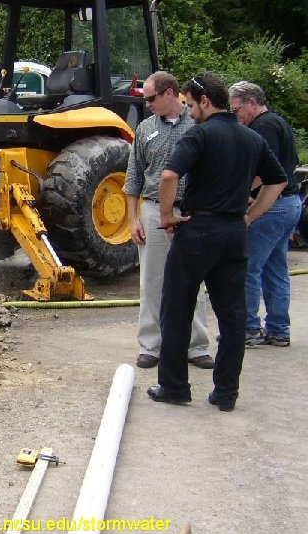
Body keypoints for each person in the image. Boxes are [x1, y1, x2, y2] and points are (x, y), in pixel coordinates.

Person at [147, 72, 287, 412]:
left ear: (206, 101)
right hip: (234, 234)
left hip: (197, 230)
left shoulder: (199, 135)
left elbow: (168, 175)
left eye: (191, 104)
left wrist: (166, 217)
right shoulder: (251, 138)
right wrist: (250, 215)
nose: (188, 110)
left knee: (177, 308)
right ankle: (226, 393)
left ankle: (174, 386)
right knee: (233, 314)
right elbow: (278, 180)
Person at [123, 71, 213, 370]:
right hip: (152, 210)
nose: (146, 104)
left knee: (194, 278)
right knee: (151, 279)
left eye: (150, 98)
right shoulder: (145, 128)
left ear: (170, 93)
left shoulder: (199, 126)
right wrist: (133, 218)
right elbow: (134, 176)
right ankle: (152, 344)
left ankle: (196, 344)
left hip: (189, 210)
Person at [228, 81, 302, 347]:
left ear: (251, 102)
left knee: (249, 266)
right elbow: (288, 165)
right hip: (290, 202)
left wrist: (240, 191)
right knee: (276, 268)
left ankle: (248, 328)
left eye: (237, 110)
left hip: (273, 206)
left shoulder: (264, 127)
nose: (236, 116)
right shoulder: (279, 122)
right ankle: (279, 329)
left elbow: (268, 170)